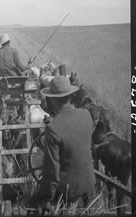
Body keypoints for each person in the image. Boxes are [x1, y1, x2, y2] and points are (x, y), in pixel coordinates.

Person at [29, 76, 95, 213]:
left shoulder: (53, 129)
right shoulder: (86, 115)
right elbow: (72, 133)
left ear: (52, 99)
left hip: (68, 190)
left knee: (32, 202)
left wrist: (46, 197)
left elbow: (52, 173)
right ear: (71, 95)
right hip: (88, 183)